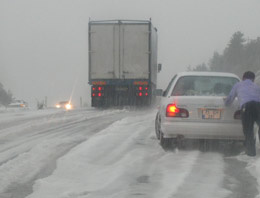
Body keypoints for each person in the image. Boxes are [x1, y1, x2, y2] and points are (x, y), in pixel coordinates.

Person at [225, 71, 260, 156]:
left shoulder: (238, 85)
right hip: (258, 106)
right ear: (253, 79)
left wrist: (226, 103)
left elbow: (230, 99)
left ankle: (251, 153)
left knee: (248, 130)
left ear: (243, 78)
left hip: (247, 107)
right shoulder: (256, 86)